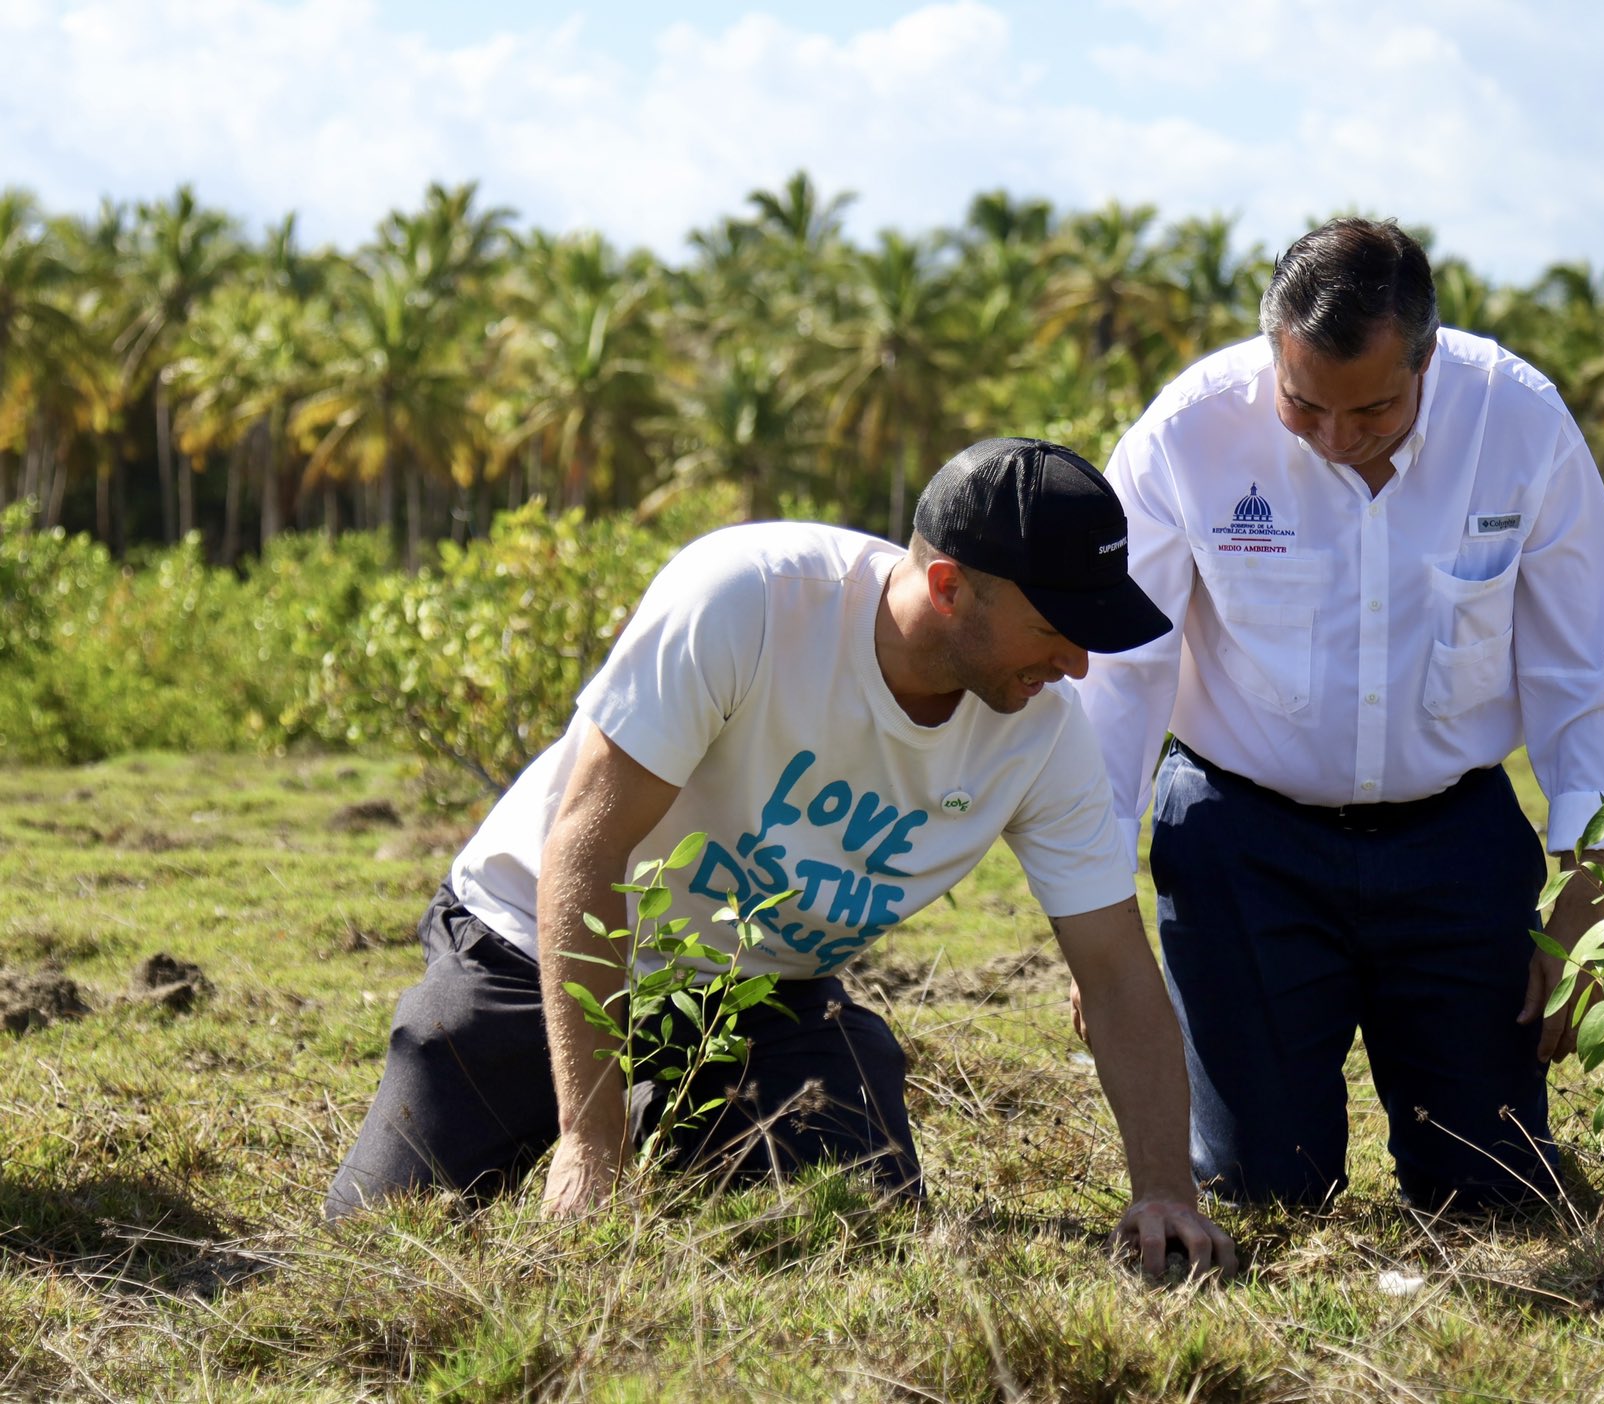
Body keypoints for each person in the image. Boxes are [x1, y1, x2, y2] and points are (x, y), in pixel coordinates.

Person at [326, 437, 1236, 1276]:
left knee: (856, 1225)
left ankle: (669, 1117)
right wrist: (588, 1142)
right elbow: (586, 849)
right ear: (951, 587)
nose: (1078, 665)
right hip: (536, 945)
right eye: (1056, 628)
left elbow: (1115, 972)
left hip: (755, 993)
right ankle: (613, 1117)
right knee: (377, 1233)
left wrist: (1163, 1188)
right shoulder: (751, 598)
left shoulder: (1042, 733)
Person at [1071, 218, 1604, 1213]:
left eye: (1373, 410)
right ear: (1272, 355)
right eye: (1303, 406)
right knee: (1268, 1189)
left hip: (1453, 841)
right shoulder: (1186, 436)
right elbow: (1116, 678)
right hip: (1239, 839)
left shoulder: (1517, 424)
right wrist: (1094, 930)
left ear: (1425, 357)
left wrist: (1588, 893)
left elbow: (1586, 661)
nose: (1337, 439)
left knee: (1494, 1191)